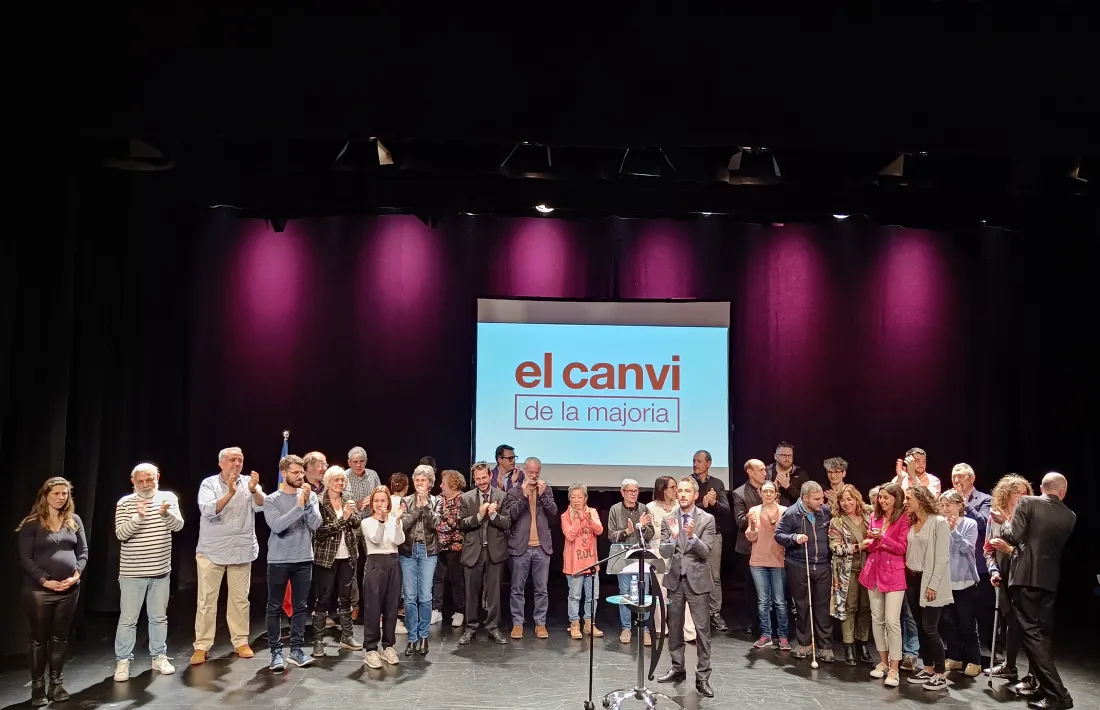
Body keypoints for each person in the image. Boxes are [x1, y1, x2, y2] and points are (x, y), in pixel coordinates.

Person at [996, 472, 1076, 710]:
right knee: (1042, 634)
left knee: (1032, 636)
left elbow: (1013, 536)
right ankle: (1042, 687)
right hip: (1049, 581)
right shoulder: (1070, 515)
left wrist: (1005, 521)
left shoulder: (1027, 502)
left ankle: (1059, 695)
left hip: (1025, 578)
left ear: (1041, 487)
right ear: (1063, 492)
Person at [17, 477, 87, 706]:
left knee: (60, 637)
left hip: (69, 589)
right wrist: (45, 581)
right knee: (39, 638)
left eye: (64, 493)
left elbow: (83, 551)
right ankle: (37, 686)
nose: (61, 497)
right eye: (56, 493)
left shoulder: (74, 520)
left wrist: (76, 574)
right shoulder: (32, 523)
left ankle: (56, 683)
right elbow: (25, 558)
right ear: (45, 495)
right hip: (39, 591)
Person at [192, 447, 265, 665]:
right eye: (232, 460)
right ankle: (202, 645)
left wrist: (253, 490)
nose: (237, 464)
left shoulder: (248, 483)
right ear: (221, 463)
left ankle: (241, 641)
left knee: (240, 600)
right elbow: (207, 510)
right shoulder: (209, 484)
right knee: (206, 601)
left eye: (240, 460)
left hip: (240, 549)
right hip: (212, 550)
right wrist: (230, 493)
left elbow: (263, 505)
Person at [113, 463, 184, 682]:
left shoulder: (168, 498)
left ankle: (159, 657)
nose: (145, 484)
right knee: (128, 619)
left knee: (158, 617)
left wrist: (165, 514)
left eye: (149, 479)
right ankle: (123, 661)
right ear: (132, 481)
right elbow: (121, 534)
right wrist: (138, 517)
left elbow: (178, 525)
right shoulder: (125, 503)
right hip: (132, 573)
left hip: (161, 571)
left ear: (157, 478)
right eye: (140, 481)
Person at [656, 476, 716, 698]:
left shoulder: (706, 519)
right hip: (674, 580)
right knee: (674, 629)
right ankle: (677, 668)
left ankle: (702, 678)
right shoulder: (668, 519)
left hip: (698, 580)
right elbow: (663, 552)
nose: (682, 494)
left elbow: (706, 552)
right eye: (679, 491)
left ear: (695, 495)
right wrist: (672, 539)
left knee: (702, 632)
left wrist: (691, 538)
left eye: (686, 491)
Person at [263, 454, 322, 672]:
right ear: (284, 473)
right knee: (275, 607)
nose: (300, 476)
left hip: (303, 559)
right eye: (295, 472)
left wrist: (307, 504)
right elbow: (277, 526)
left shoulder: (310, 497)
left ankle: (296, 650)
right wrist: (299, 506)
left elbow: (316, 524)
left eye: (301, 472)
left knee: (300, 607)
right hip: (279, 560)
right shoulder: (272, 499)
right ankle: (276, 652)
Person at [774, 480, 834, 662]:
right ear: (805, 498)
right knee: (802, 606)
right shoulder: (792, 513)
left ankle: (825, 646)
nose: (820, 502)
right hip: (799, 565)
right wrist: (794, 537)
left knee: (822, 608)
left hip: (823, 566)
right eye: (816, 499)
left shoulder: (825, 512)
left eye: (822, 498)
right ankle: (805, 643)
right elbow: (779, 535)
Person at [983, 473, 1033, 681]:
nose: (1021, 497)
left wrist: (1010, 548)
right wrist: (993, 570)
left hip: (1026, 577)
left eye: (1024, 493)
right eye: (1016, 493)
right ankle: (1009, 665)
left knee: (1028, 625)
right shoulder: (994, 518)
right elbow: (988, 549)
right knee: (1009, 622)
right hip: (1003, 577)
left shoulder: (1031, 517)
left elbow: (1031, 551)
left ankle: (1033, 673)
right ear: (1005, 495)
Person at [902, 485, 953, 691]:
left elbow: (942, 557)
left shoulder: (938, 522)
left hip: (929, 581)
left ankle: (940, 674)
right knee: (921, 627)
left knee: (930, 628)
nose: (905, 502)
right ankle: (928, 668)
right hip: (913, 580)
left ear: (921, 500)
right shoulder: (912, 521)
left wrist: (932, 585)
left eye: (908, 498)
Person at [859, 482, 910, 688]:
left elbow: (902, 548)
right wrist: (870, 540)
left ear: (896, 499)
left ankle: (895, 669)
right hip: (874, 571)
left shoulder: (904, 518)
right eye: (880, 497)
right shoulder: (874, 517)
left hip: (894, 574)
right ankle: (883, 661)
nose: (882, 501)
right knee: (877, 619)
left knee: (892, 621)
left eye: (886, 497)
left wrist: (883, 538)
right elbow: (871, 546)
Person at [457, 462, 512, 645]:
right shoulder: (466, 498)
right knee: (471, 593)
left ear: (490, 476)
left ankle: (493, 628)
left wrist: (494, 516)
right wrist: (479, 516)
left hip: (494, 551)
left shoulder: (502, 496)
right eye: (478, 478)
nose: (481, 482)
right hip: (473, 551)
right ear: (474, 479)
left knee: (494, 593)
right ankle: (471, 628)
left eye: (484, 477)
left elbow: (507, 523)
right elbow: (462, 525)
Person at [311, 466, 363, 657]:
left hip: (347, 556)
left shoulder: (347, 499)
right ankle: (318, 641)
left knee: (346, 597)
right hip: (326, 558)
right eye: (336, 480)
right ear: (327, 482)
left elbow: (356, 522)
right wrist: (344, 518)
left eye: (342, 480)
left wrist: (351, 513)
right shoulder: (318, 501)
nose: (340, 483)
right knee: (323, 598)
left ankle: (347, 637)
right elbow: (320, 531)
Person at [506, 457, 557, 639]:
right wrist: (524, 495)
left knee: (541, 589)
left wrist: (543, 495)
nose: (534, 476)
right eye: (531, 472)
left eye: (537, 472)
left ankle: (540, 623)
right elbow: (511, 515)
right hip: (521, 548)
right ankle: (517, 623)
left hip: (542, 547)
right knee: (517, 588)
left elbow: (553, 512)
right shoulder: (514, 492)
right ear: (524, 472)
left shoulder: (546, 489)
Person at [937, 489, 981, 677]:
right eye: (943, 505)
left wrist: (954, 530)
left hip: (965, 582)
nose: (945, 509)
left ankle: (974, 660)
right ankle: (955, 658)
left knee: (967, 623)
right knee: (949, 622)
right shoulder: (940, 524)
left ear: (959, 506)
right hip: (946, 582)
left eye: (948, 505)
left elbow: (967, 550)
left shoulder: (969, 524)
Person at [399, 465, 442, 655]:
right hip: (408, 551)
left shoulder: (436, 501)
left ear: (430, 483)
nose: (419, 483)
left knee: (425, 596)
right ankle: (412, 637)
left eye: (423, 480)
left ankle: (424, 636)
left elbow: (436, 524)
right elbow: (404, 524)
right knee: (409, 598)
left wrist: (425, 507)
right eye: (417, 480)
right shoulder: (406, 500)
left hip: (427, 551)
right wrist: (418, 507)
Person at [828, 483, 873, 665]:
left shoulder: (868, 516)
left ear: (856, 499)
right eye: (843, 500)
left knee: (866, 608)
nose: (847, 503)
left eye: (850, 499)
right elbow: (835, 547)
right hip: (848, 572)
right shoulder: (836, 521)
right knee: (849, 609)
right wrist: (857, 547)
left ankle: (863, 644)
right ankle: (849, 647)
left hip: (869, 571)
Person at [950, 462, 993, 650]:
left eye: (961, 476)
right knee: (957, 613)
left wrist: (964, 504)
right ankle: (958, 651)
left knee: (985, 610)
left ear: (972, 478)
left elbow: (984, 523)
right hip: (955, 566)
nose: (957, 480)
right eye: (954, 477)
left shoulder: (985, 499)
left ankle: (994, 651)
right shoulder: (948, 499)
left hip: (978, 565)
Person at [607, 478, 655, 645]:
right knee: (625, 592)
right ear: (623, 492)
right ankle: (626, 627)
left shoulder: (644, 508)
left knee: (645, 591)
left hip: (641, 557)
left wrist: (641, 526)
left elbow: (650, 535)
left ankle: (645, 629)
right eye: (630, 491)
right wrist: (627, 531)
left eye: (636, 491)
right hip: (622, 556)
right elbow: (611, 536)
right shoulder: (615, 510)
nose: (633, 494)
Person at [361, 486, 405, 668]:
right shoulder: (367, 522)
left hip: (393, 563)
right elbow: (376, 540)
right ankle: (371, 649)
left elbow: (399, 540)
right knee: (373, 607)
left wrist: (395, 523)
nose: (380, 504)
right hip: (375, 564)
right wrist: (380, 522)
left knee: (391, 606)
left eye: (383, 501)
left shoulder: (395, 520)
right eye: (376, 501)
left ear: (388, 502)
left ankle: (388, 646)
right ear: (372, 503)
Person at [648, 476, 695, 641]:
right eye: (673, 487)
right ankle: (661, 627)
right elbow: (651, 533)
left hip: (679, 550)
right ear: (663, 489)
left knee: (685, 589)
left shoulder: (679, 506)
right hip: (658, 551)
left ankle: (689, 630)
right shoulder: (651, 507)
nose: (677, 491)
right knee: (660, 591)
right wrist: (667, 528)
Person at [744, 480, 788, 651]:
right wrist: (754, 525)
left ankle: (783, 636)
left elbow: (784, 536)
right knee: (763, 601)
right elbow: (751, 537)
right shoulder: (754, 511)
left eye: (771, 491)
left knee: (779, 601)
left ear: (776, 493)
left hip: (778, 561)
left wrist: (772, 522)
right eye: (765, 491)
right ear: (760, 493)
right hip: (758, 561)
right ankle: (766, 635)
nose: (768, 494)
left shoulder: (784, 511)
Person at [691, 450, 731, 633]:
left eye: (699, 461)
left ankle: (715, 613)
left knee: (714, 576)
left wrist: (713, 504)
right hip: (692, 536)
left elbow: (726, 510)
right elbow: (683, 507)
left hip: (714, 535)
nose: (695, 464)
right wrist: (703, 505)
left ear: (709, 463)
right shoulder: (688, 483)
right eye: (694, 461)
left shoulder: (717, 484)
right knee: (692, 573)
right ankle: (692, 613)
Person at [562, 482, 604, 639]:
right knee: (575, 596)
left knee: (593, 596)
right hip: (574, 563)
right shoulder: (565, 516)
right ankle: (574, 624)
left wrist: (589, 520)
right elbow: (570, 535)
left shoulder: (592, 512)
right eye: (573, 497)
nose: (576, 500)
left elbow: (599, 530)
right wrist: (579, 520)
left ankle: (589, 624)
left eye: (579, 497)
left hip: (591, 562)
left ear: (585, 498)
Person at [344, 446, 380, 623]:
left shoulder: (373, 475)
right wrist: (356, 506)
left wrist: (373, 503)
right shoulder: (343, 477)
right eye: (355, 462)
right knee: (351, 566)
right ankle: (354, 606)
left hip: (370, 523)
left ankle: (374, 604)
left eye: (362, 461)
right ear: (349, 462)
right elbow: (340, 501)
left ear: (366, 461)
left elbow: (381, 498)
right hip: (351, 525)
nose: (359, 465)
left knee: (374, 564)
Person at [730, 458, 765, 636]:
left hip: (770, 546)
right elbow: (740, 520)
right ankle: (754, 623)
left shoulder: (770, 489)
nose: (764, 473)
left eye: (765, 469)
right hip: (748, 547)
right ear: (750, 472)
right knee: (751, 587)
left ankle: (771, 623)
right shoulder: (739, 493)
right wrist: (757, 514)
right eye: (760, 470)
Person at [433, 469, 467, 628]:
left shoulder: (463, 500)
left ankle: (459, 611)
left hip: (456, 547)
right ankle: (436, 610)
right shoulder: (439, 499)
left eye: (444, 484)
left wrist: (448, 515)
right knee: (438, 578)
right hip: (438, 545)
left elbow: (462, 525)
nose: (441, 486)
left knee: (456, 580)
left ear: (453, 485)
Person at [766, 441, 812, 507]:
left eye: (790, 456)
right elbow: (758, 495)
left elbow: (807, 499)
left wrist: (788, 486)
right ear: (775, 456)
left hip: (793, 513)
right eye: (784, 455)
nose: (787, 459)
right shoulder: (766, 472)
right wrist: (774, 487)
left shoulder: (801, 474)